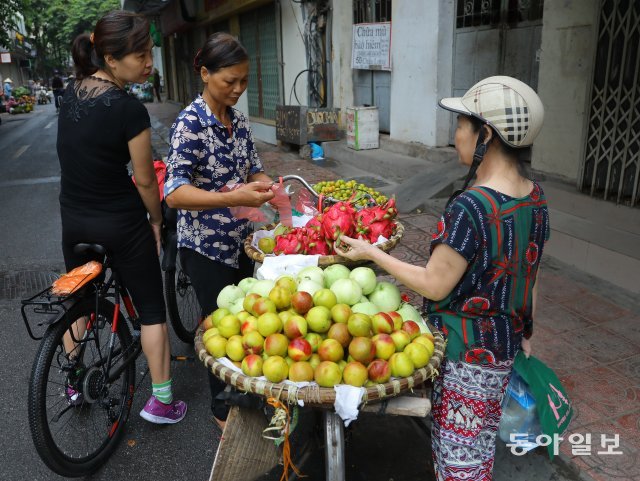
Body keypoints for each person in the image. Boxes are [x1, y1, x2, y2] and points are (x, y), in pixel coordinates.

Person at [336, 76, 549, 480]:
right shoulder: (534, 197)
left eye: (461, 126)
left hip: (463, 357)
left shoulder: (472, 207)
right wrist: (527, 332)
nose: (455, 137)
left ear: (485, 133)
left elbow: (435, 284)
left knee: (457, 462)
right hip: (501, 351)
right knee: (481, 447)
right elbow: (530, 275)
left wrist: (371, 253)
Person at [57, 10, 186, 424]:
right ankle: (162, 402)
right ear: (111, 60)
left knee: (79, 304)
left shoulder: (71, 93)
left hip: (74, 220)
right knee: (152, 309)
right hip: (121, 223)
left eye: (150, 52)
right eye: (140, 55)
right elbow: (147, 182)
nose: (149, 62)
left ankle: (73, 384)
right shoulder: (129, 109)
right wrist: (155, 221)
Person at [164, 32, 275, 429]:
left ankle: (248, 396)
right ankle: (221, 410)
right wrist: (230, 197)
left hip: (242, 241)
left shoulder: (238, 121)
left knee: (249, 324)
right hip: (206, 249)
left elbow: (253, 167)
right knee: (219, 329)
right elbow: (174, 192)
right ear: (205, 74)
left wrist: (263, 184)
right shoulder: (190, 124)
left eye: (244, 81)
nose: (239, 89)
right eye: (230, 81)